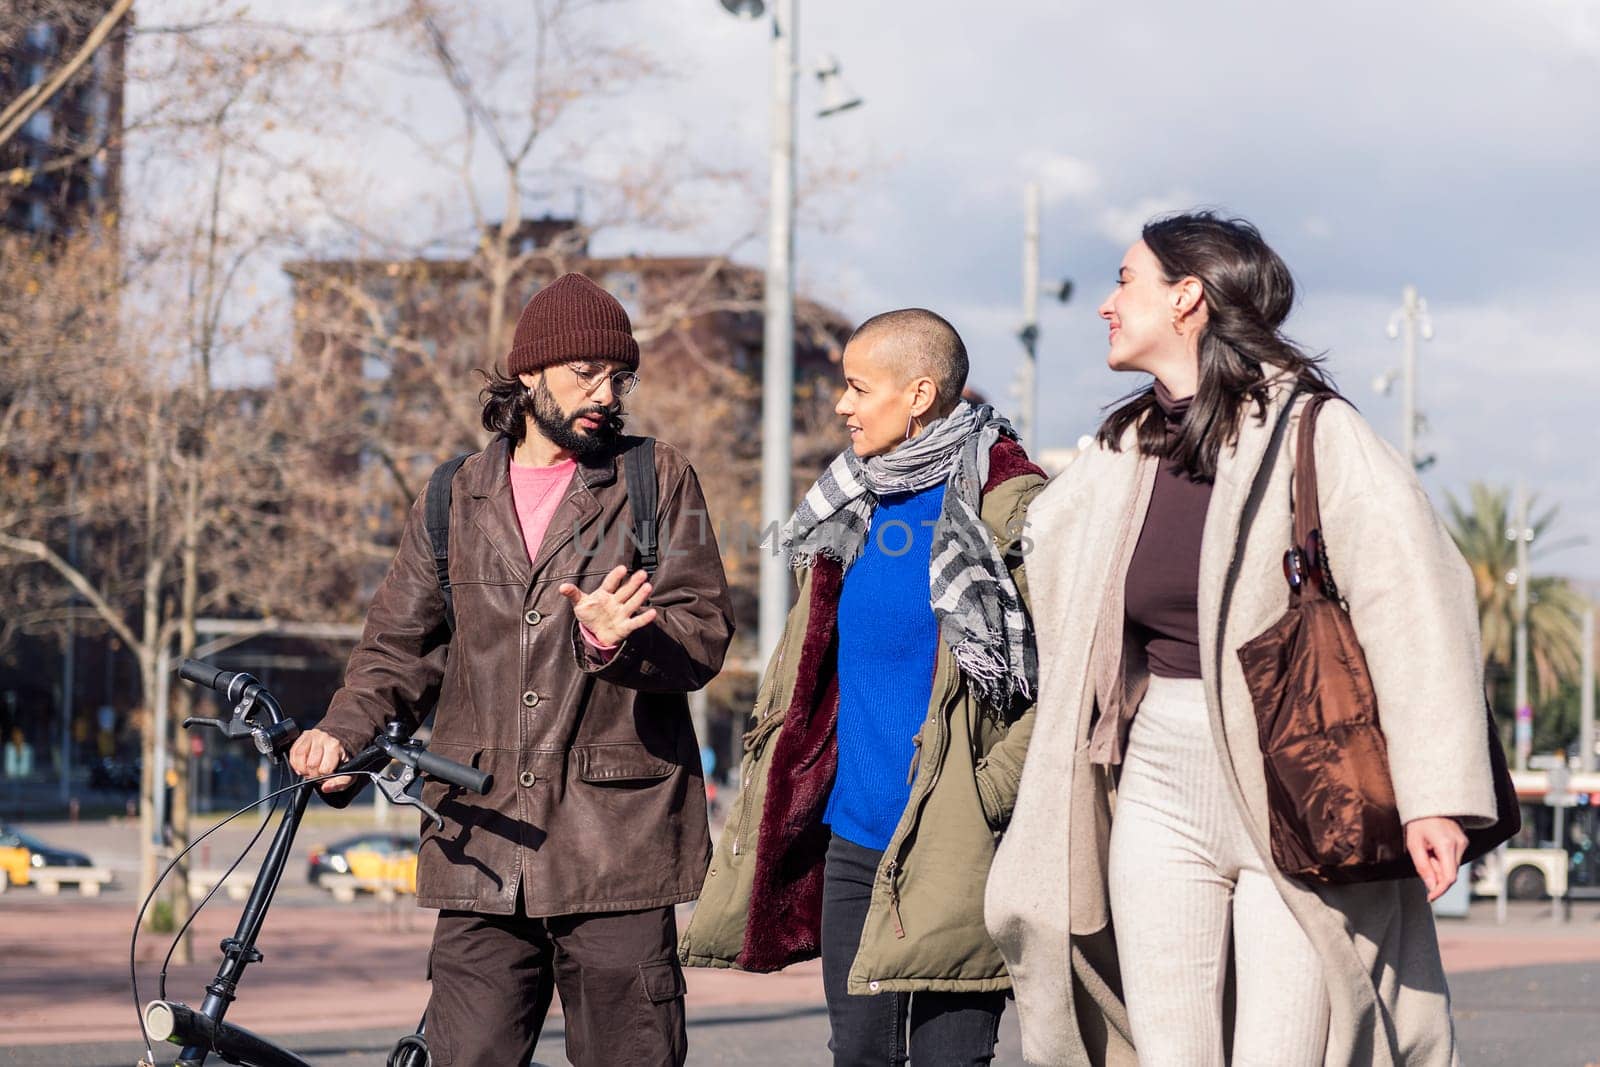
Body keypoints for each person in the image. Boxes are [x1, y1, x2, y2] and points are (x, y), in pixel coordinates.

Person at [986, 212, 1499, 1066]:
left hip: (1294, 784)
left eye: (1126, 280)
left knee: (1283, 1052)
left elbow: (1416, 600)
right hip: (1157, 775)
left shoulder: (1316, 432)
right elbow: (1041, 566)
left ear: (1187, 297)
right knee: (1170, 1050)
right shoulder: (1126, 446)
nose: (1108, 303)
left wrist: (1434, 794)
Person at [289, 272, 735, 1067]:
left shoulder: (657, 478)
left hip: (616, 855)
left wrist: (617, 640)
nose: (606, 392)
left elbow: (703, 633)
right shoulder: (452, 495)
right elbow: (397, 648)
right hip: (480, 842)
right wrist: (340, 735)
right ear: (528, 374)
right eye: (585, 374)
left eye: (619, 376)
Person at [680, 309, 1047, 1066]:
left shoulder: (1010, 505)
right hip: (855, 840)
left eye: (857, 387)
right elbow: (809, 667)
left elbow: (1055, 680)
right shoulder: (852, 502)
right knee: (860, 1057)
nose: (842, 405)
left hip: (956, 842)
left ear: (918, 394)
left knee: (952, 1059)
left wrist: (986, 793)